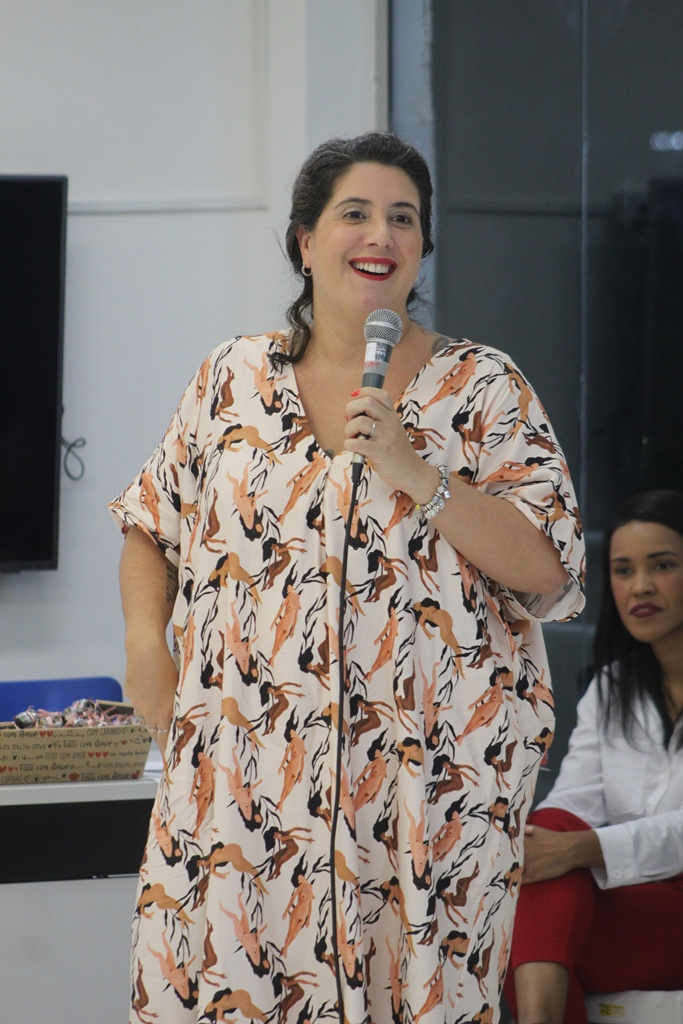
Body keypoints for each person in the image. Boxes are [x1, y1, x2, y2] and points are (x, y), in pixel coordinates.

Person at [109, 130, 584, 1024]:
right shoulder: (231, 378)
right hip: (245, 785)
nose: (380, 234)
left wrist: (418, 472)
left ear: (422, 247)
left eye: (403, 218)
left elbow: (548, 575)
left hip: (429, 792)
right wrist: (146, 647)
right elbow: (149, 523)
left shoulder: (484, 388)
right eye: (355, 213)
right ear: (304, 241)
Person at [503, 488, 683, 1024]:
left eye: (663, 565)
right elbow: (572, 805)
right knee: (547, 842)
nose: (640, 586)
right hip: (627, 901)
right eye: (623, 570)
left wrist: (585, 849)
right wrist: (546, 845)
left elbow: (580, 842)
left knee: (519, 925)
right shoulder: (612, 687)